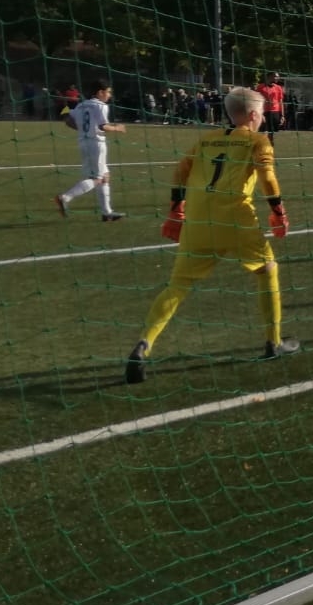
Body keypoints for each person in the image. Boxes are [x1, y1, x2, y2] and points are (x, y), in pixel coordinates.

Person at [124, 86, 299, 385]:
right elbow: (267, 177)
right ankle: (274, 342)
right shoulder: (258, 140)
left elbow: (181, 170)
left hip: (198, 220)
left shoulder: (206, 139)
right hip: (236, 219)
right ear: (254, 115)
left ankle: (144, 345)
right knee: (267, 269)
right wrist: (278, 212)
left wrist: (176, 208)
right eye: (261, 114)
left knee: (177, 286)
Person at [56, 81, 127, 221]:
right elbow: (103, 126)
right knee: (97, 179)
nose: (109, 95)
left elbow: (68, 120)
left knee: (105, 175)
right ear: (100, 92)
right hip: (97, 144)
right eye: (108, 92)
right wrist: (118, 128)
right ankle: (65, 197)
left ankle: (107, 212)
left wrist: (83, 129)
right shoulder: (101, 106)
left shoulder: (81, 105)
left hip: (84, 143)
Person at [258, 74, 285, 144]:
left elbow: (280, 102)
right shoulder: (260, 87)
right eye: (276, 76)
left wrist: (282, 115)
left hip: (275, 112)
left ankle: (270, 147)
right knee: (264, 132)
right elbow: (257, 100)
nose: (277, 78)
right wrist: (260, 113)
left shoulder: (278, 88)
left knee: (272, 133)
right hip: (264, 112)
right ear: (270, 76)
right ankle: (262, 146)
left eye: (278, 76)